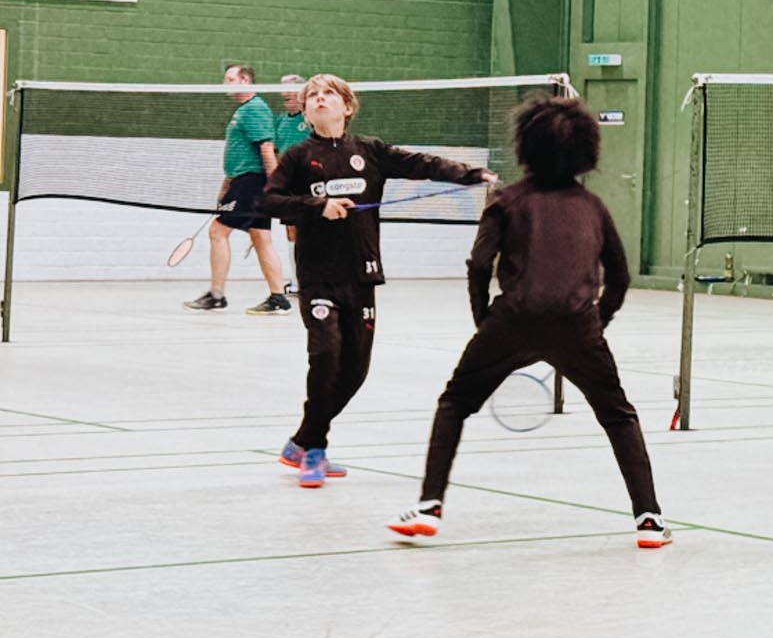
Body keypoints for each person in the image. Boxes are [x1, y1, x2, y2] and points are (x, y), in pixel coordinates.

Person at [387, 95, 668, 548]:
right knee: (618, 416)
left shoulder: (506, 202)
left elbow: (479, 265)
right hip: (578, 327)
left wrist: (485, 323)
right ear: (586, 151)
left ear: (526, 145)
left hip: (512, 322)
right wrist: (597, 322)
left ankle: (429, 505)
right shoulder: (594, 207)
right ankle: (649, 519)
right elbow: (619, 274)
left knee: (456, 402)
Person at [263, 74, 496, 488]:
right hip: (318, 277)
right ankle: (314, 449)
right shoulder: (298, 157)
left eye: (327, 94)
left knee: (355, 370)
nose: (318, 99)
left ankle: (301, 439)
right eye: (311, 96)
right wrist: (318, 206)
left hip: (362, 275)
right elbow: (270, 199)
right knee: (326, 354)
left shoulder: (369, 151)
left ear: (347, 107)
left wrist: (470, 175)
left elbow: (422, 164)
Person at [182, 64, 291, 316]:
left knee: (217, 231)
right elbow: (239, 154)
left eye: (230, 79)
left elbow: (266, 148)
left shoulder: (254, 109)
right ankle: (278, 297)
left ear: (245, 81)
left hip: (251, 182)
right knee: (261, 238)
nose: (225, 83)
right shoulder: (245, 110)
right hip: (244, 181)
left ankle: (216, 295)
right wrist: (226, 186)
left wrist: (275, 186)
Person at [273, 75, 311, 295]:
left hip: (309, 183)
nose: (286, 93)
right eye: (283, 90)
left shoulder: (310, 120)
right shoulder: (280, 121)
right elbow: (277, 153)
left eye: (291, 89)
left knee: (314, 231)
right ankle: (297, 281)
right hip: (289, 185)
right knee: (291, 232)